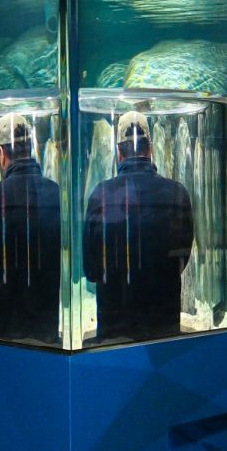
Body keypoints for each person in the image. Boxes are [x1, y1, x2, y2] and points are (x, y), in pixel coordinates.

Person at [84, 110, 194, 342]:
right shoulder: (177, 193)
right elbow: (181, 260)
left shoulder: (101, 194)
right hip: (164, 329)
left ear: (118, 152)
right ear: (150, 149)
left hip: (114, 331)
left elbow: (91, 270)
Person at [0, 112, 61, 344]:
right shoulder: (56, 194)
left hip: (0, 335)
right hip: (46, 336)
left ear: (3, 154)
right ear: (31, 149)